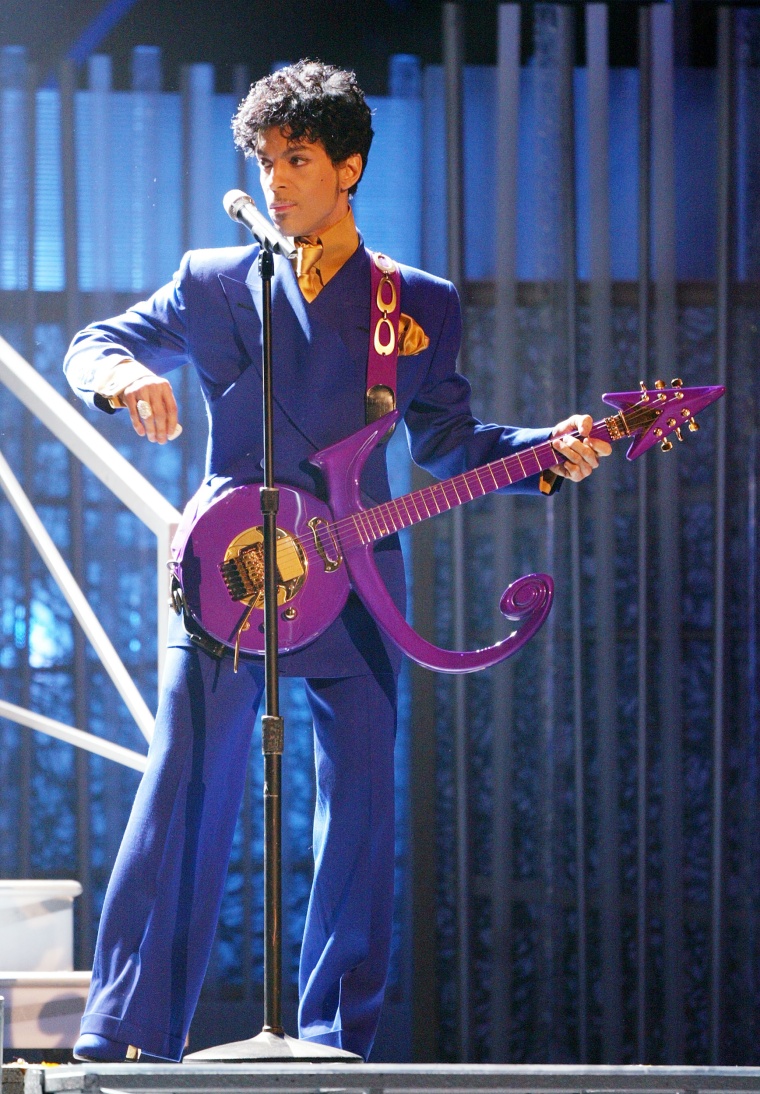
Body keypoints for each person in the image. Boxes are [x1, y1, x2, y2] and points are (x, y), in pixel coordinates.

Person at [64, 60, 611, 1063]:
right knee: (184, 784)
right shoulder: (215, 281)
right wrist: (127, 377)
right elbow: (96, 339)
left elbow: (451, 444)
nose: (276, 180)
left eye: (299, 158)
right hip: (229, 575)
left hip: (357, 577)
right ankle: (130, 1033)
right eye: (266, 160)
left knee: (358, 810)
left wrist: (551, 449)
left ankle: (333, 1039)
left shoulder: (420, 301)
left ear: (349, 165)